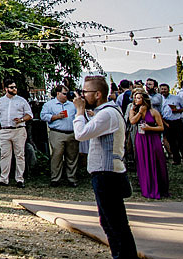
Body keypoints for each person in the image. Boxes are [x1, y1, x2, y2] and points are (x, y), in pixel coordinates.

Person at [74, 76, 138, 259]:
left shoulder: (107, 114)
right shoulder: (106, 112)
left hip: (107, 173)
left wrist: (79, 112)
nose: (83, 95)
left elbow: (81, 133)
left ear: (98, 94)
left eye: (86, 92)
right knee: (109, 222)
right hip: (105, 172)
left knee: (114, 223)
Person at [128, 89, 168, 199]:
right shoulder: (134, 111)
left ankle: (160, 186)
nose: (136, 100)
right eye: (135, 98)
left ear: (144, 99)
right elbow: (132, 121)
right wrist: (140, 112)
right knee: (143, 161)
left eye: (139, 98)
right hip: (141, 139)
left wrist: (150, 128)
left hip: (153, 138)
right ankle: (147, 187)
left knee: (156, 161)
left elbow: (161, 127)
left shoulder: (154, 112)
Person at [0, 80, 32, 188]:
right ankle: (3, 179)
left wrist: (21, 119)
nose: (14, 89)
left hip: (18, 130)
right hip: (4, 130)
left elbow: (29, 115)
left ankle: (20, 179)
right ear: (6, 89)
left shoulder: (21, 100)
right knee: (5, 155)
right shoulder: (0, 101)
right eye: (11, 87)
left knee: (19, 155)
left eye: (15, 87)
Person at [41, 84, 79, 187]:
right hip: (57, 133)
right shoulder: (49, 104)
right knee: (56, 156)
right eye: (64, 94)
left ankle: (72, 179)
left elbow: (79, 115)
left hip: (71, 133)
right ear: (58, 93)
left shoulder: (72, 105)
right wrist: (55, 117)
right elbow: (43, 116)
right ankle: (55, 179)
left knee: (72, 157)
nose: (66, 96)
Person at [159, 83, 183, 167]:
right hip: (166, 122)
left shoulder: (176, 98)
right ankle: (176, 159)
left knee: (181, 142)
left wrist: (177, 110)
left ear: (168, 89)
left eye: (165, 89)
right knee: (171, 142)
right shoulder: (160, 99)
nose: (163, 91)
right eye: (162, 89)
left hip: (176, 121)